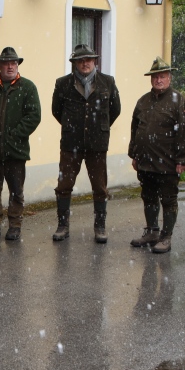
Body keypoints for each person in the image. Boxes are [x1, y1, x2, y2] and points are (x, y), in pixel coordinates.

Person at [50, 44, 122, 243]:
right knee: (64, 185)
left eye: (88, 60)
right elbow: (56, 110)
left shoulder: (107, 82)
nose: (85, 63)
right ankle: (62, 226)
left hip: (97, 144)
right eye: (80, 60)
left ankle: (100, 227)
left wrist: (98, 127)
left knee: (100, 187)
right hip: (70, 143)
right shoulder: (63, 83)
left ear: (94, 61)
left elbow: (115, 109)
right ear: (74, 63)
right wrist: (73, 126)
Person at [0, 47, 42, 241]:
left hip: (16, 151)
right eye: (6, 63)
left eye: (14, 63)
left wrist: (15, 135)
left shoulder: (27, 87)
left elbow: (33, 116)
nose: (10, 67)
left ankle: (15, 225)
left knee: (16, 192)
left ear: (17, 65)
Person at [128, 58, 185, 254]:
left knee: (168, 200)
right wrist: (134, 154)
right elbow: (135, 129)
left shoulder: (179, 101)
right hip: (145, 161)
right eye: (155, 77)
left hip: (168, 163)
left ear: (169, 78)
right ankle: (151, 232)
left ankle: (166, 237)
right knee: (148, 197)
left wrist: (183, 159)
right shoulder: (143, 101)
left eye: (162, 76)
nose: (158, 80)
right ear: (151, 79)